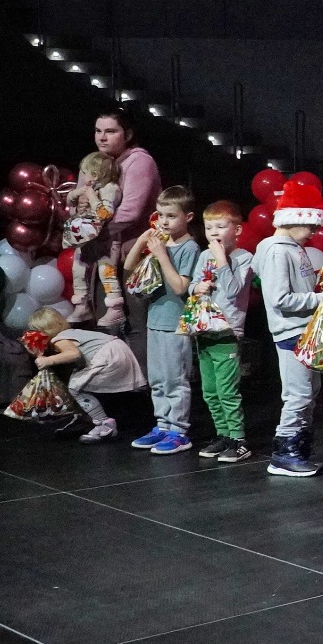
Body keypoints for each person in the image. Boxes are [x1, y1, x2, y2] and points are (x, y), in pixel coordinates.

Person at [253, 178, 323, 478]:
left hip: (304, 330)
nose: (313, 232)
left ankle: (299, 447)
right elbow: (279, 298)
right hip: (291, 332)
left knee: (309, 392)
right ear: (293, 218)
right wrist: (319, 298)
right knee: (297, 394)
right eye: (310, 225)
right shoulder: (277, 251)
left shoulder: (293, 248)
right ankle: (284, 453)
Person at [124, 185, 200, 456]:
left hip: (175, 323)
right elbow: (128, 267)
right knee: (157, 379)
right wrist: (142, 241)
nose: (164, 222)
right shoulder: (162, 242)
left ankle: (178, 431)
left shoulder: (190, 248)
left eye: (171, 216)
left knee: (174, 379)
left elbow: (180, 287)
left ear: (188, 217)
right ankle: (163, 424)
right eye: (160, 215)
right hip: (155, 320)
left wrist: (161, 255)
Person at [188, 201, 255, 463]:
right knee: (209, 390)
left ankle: (239, 439)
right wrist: (196, 288)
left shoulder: (243, 258)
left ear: (237, 230)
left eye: (220, 226)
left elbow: (234, 290)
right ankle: (223, 434)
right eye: (208, 227)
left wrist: (221, 260)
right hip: (204, 330)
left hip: (227, 332)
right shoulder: (204, 256)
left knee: (227, 390)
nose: (213, 232)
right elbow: (193, 284)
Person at [27, 306, 144, 444]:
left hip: (107, 355)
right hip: (118, 350)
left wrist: (47, 360)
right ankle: (86, 418)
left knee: (75, 387)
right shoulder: (71, 332)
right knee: (78, 379)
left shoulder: (59, 339)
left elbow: (74, 354)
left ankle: (104, 425)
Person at [94, 108, 161, 341]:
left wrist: (91, 229)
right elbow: (79, 203)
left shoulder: (140, 161)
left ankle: (140, 366)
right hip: (104, 253)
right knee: (105, 321)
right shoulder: (96, 162)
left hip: (135, 254)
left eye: (110, 131)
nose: (102, 137)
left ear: (128, 134)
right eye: (98, 131)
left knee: (136, 323)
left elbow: (131, 212)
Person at [63, 151, 123, 327]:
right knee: (78, 269)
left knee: (107, 273)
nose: (83, 176)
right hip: (87, 238)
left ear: (95, 175)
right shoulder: (90, 188)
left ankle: (115, 308)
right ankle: (82, 305)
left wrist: (91, 197)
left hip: (106, 241)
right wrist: (78, 195)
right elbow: (69, 202)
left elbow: (105, 213)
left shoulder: (110, 189)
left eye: (85, 173)